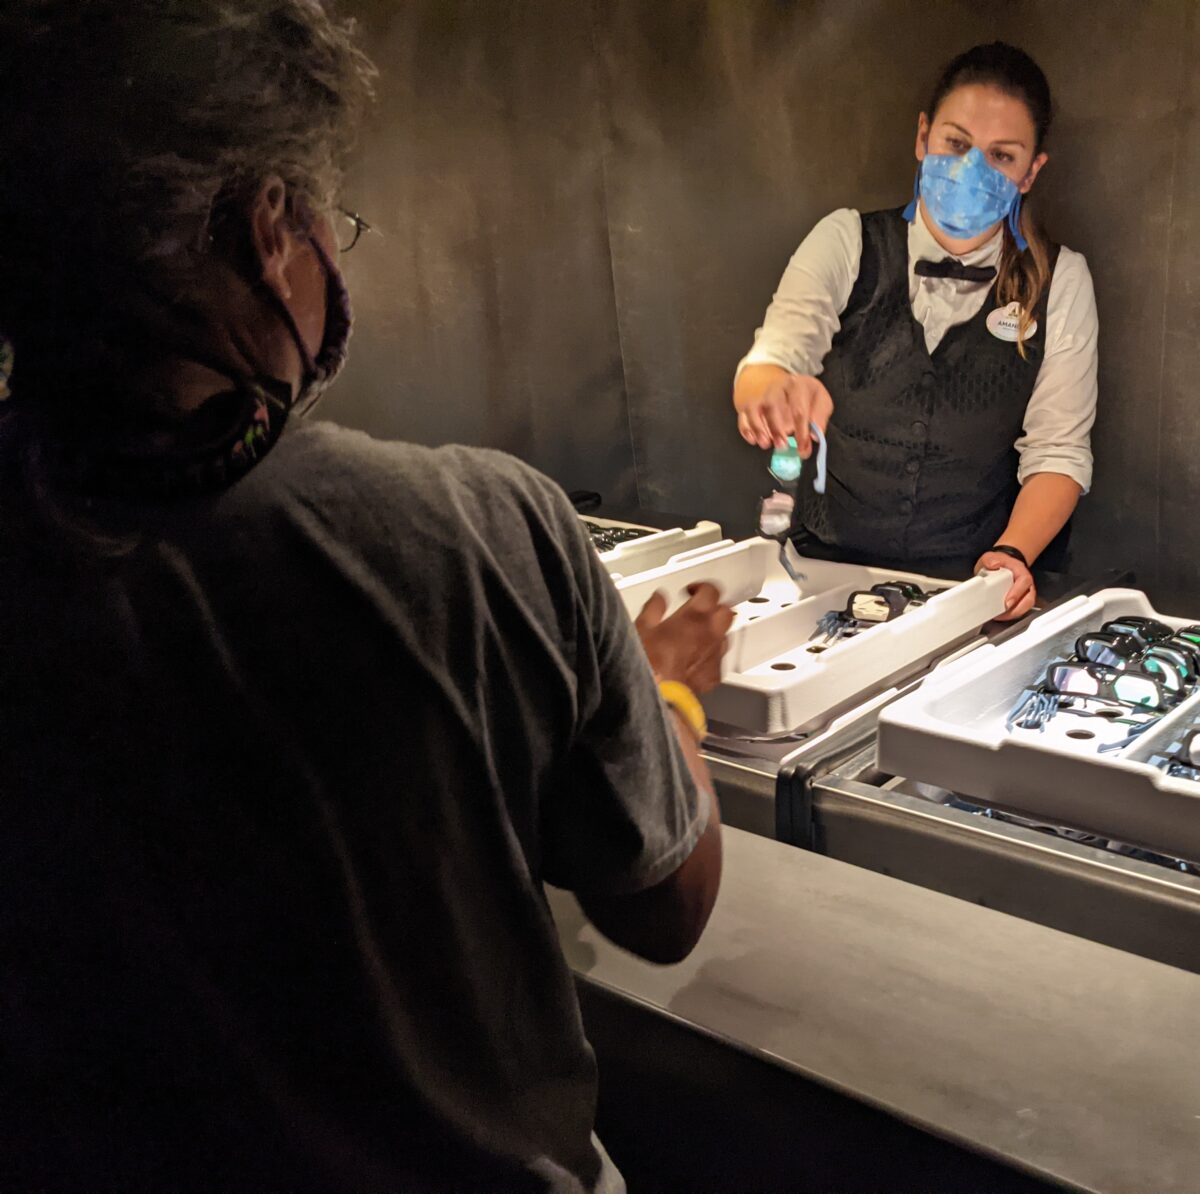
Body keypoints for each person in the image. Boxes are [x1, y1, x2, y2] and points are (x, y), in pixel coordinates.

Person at [0, 2, 730, 1189]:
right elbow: (664, 906)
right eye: (328, 223)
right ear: (267, 227)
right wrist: (670, 699)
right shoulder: (476, 528)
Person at [734, 42, 1098, 620]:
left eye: (1001, 156)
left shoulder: (1061, 279)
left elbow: (1059, 451)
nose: (972, 170)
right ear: (923, 137)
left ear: (1031, 172)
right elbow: (773, 357)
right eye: (957, 143)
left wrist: (1010, 556)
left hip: (969, 582)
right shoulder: (846, 240)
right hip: (825, 569)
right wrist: (774, 392)